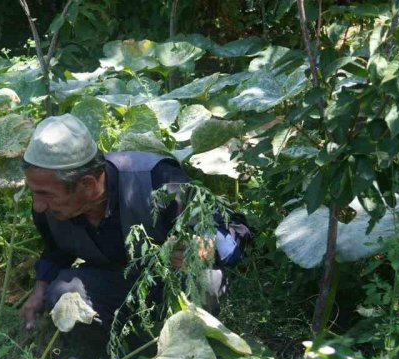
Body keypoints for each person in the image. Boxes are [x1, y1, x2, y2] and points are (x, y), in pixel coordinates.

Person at [18, 114, 249, 341]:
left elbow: (234, 230)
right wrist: (41, 287)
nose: (38, 205)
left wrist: (206, 246)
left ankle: (188, 346)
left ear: (87, 185)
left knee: (206, 281)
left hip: (170, 285)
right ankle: (117, 351)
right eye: (35, 192)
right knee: (63, 294)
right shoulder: (48, 206)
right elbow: (56, 249)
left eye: (45, 194)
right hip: (113, 286)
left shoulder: (157, 181)